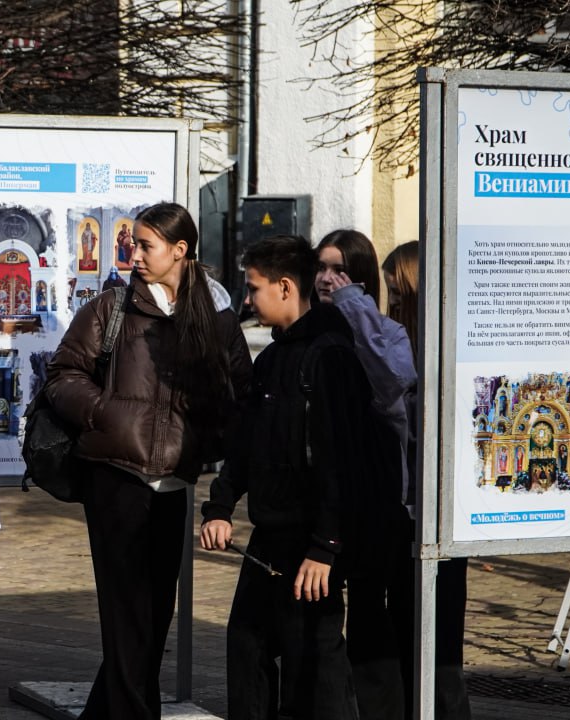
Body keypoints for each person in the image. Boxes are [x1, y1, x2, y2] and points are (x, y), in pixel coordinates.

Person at [45, 202, 251, 720]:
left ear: (180, 251)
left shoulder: (216, 319)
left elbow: (240, 397)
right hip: (115, 479)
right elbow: (63, 375)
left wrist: (206, 439)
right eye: (133, 244)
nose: (133, 253)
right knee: (126, 615)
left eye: (145, 245)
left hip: (175, 485)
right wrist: (107, 413)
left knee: (153, 618)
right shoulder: (112, 307)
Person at [201, 234, 383, 720]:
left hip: (314, 544)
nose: (247, 299)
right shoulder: (272, 359)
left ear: (285, 288)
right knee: (246, 645)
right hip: (270, 537)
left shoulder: (330, 358)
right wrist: (220, 506)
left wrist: (325, 547)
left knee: (315, 666)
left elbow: (340, 461)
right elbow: (246, 444)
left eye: (254, 288)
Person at [314, 229, 417, 720]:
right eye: (321, 268)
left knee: (384, 624)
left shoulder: (387, 335)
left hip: (384, 502)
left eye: (339, 269)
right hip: (338, 502)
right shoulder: (317, 332)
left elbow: (392, 382)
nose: (326, 279)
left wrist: (353, 303)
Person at [381, 240, 472, 720]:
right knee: (407, 636)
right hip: (405, 513)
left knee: (442, 652)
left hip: (436, 514)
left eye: (399, 293)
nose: (392, 304)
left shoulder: (433, 354)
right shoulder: (400, 344)